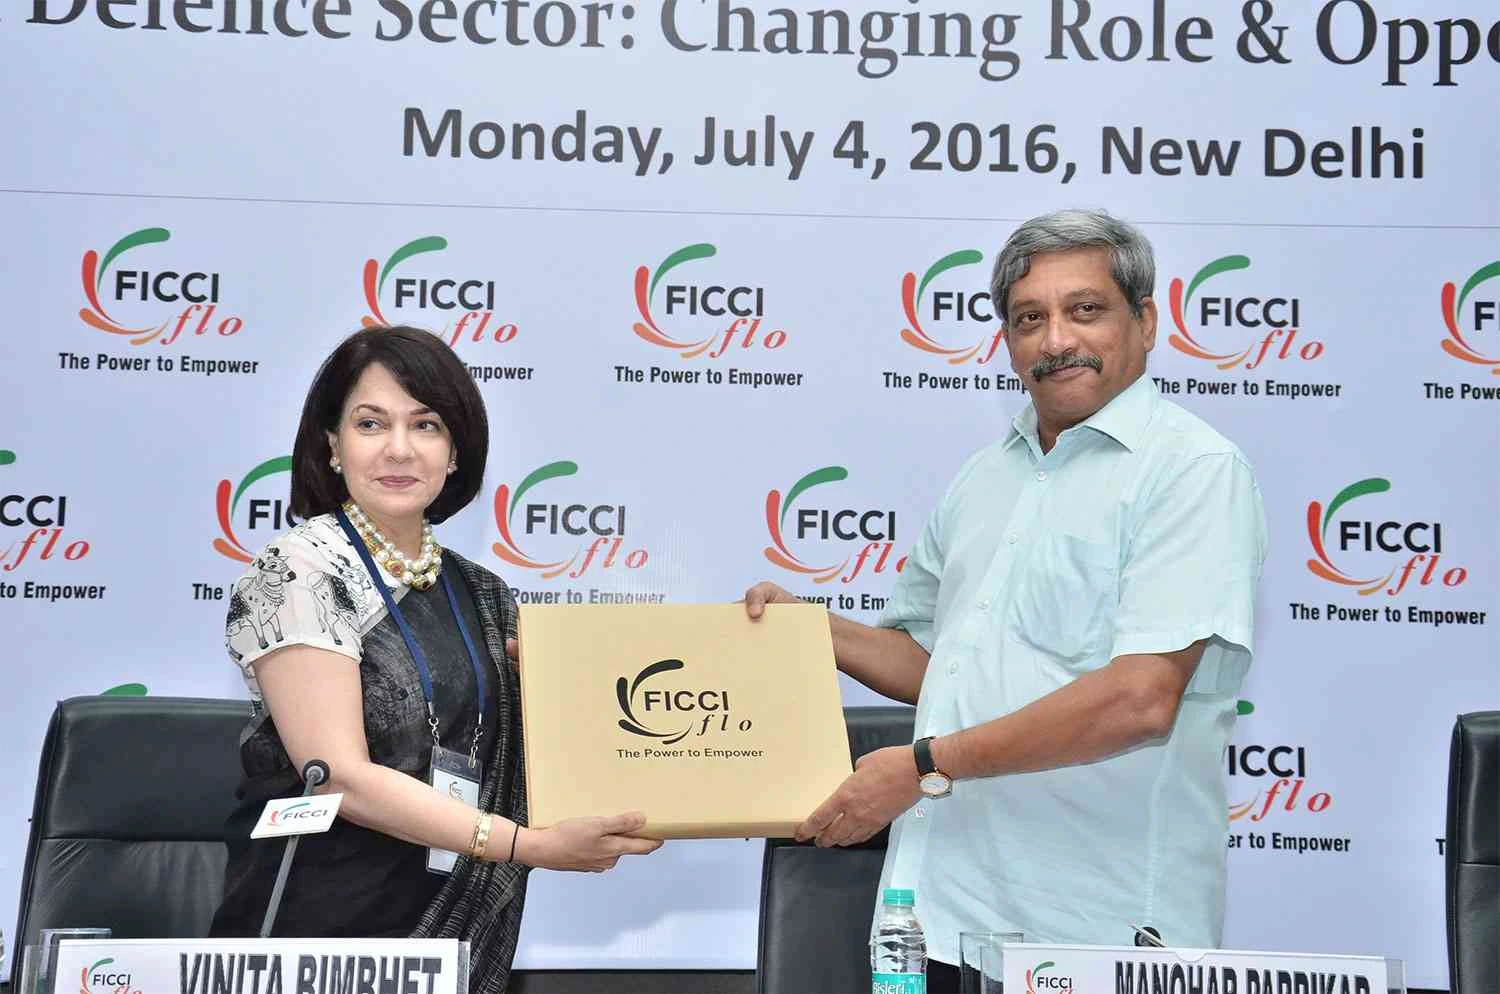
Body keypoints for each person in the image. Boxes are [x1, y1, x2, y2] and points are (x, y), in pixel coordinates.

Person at [745, 209, 1266, 988]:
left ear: (1146, 321)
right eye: (1029, 318)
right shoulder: (986, 477)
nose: (1056, 340)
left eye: (1085, 309)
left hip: (1096, 929)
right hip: (941, 917)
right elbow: (941, 666)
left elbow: (1140, 700)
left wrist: (925, 765)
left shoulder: (1192, 471)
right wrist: (814, 632)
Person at [212, 326, 660, 990]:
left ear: (455, 452)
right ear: (332, 445)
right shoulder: (299, 572)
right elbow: (338, 777)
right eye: (370, 423)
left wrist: (744, 667)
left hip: (453, 922)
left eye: (426, 425)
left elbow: (566, 739)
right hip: (322, 929)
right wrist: (526, 845)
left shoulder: (482, 593)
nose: (399, 448)